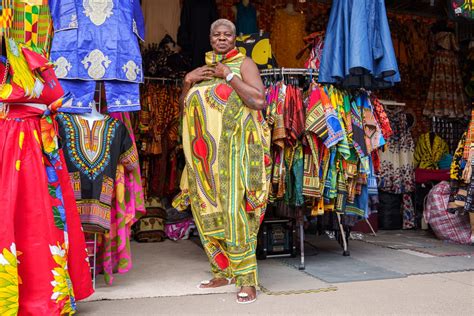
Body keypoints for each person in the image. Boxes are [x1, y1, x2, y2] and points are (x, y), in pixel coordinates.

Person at [173, 18, 270, 304]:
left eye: (228, 34)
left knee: (235, 215)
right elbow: (185, 110)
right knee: (205, 215)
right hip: (205, 162)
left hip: (237, 157)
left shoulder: (244, 64)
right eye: (217, 34)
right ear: (211, 38)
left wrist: (229, 76)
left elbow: (258, 100)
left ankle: (247, 280)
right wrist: (187, 81)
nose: (222, 38)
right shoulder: (203, 69)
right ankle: (222, 271)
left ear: (235, 38)